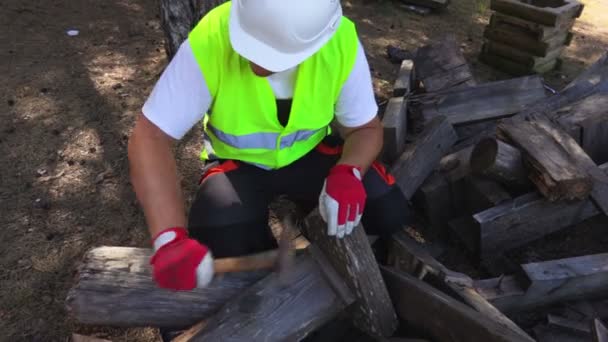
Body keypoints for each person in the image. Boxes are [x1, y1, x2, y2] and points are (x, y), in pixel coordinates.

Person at [128, 0, 411, 292]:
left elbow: (365, 129)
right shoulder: (212, 37)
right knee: (222, 230)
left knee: (387, 209)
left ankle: (334, 238)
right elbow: (150, 137)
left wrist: (348, 172)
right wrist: (169, 238)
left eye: (272, 53)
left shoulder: (340, 42)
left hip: (310, 154)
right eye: (250, 43)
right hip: (237, 165)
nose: (255, 61)